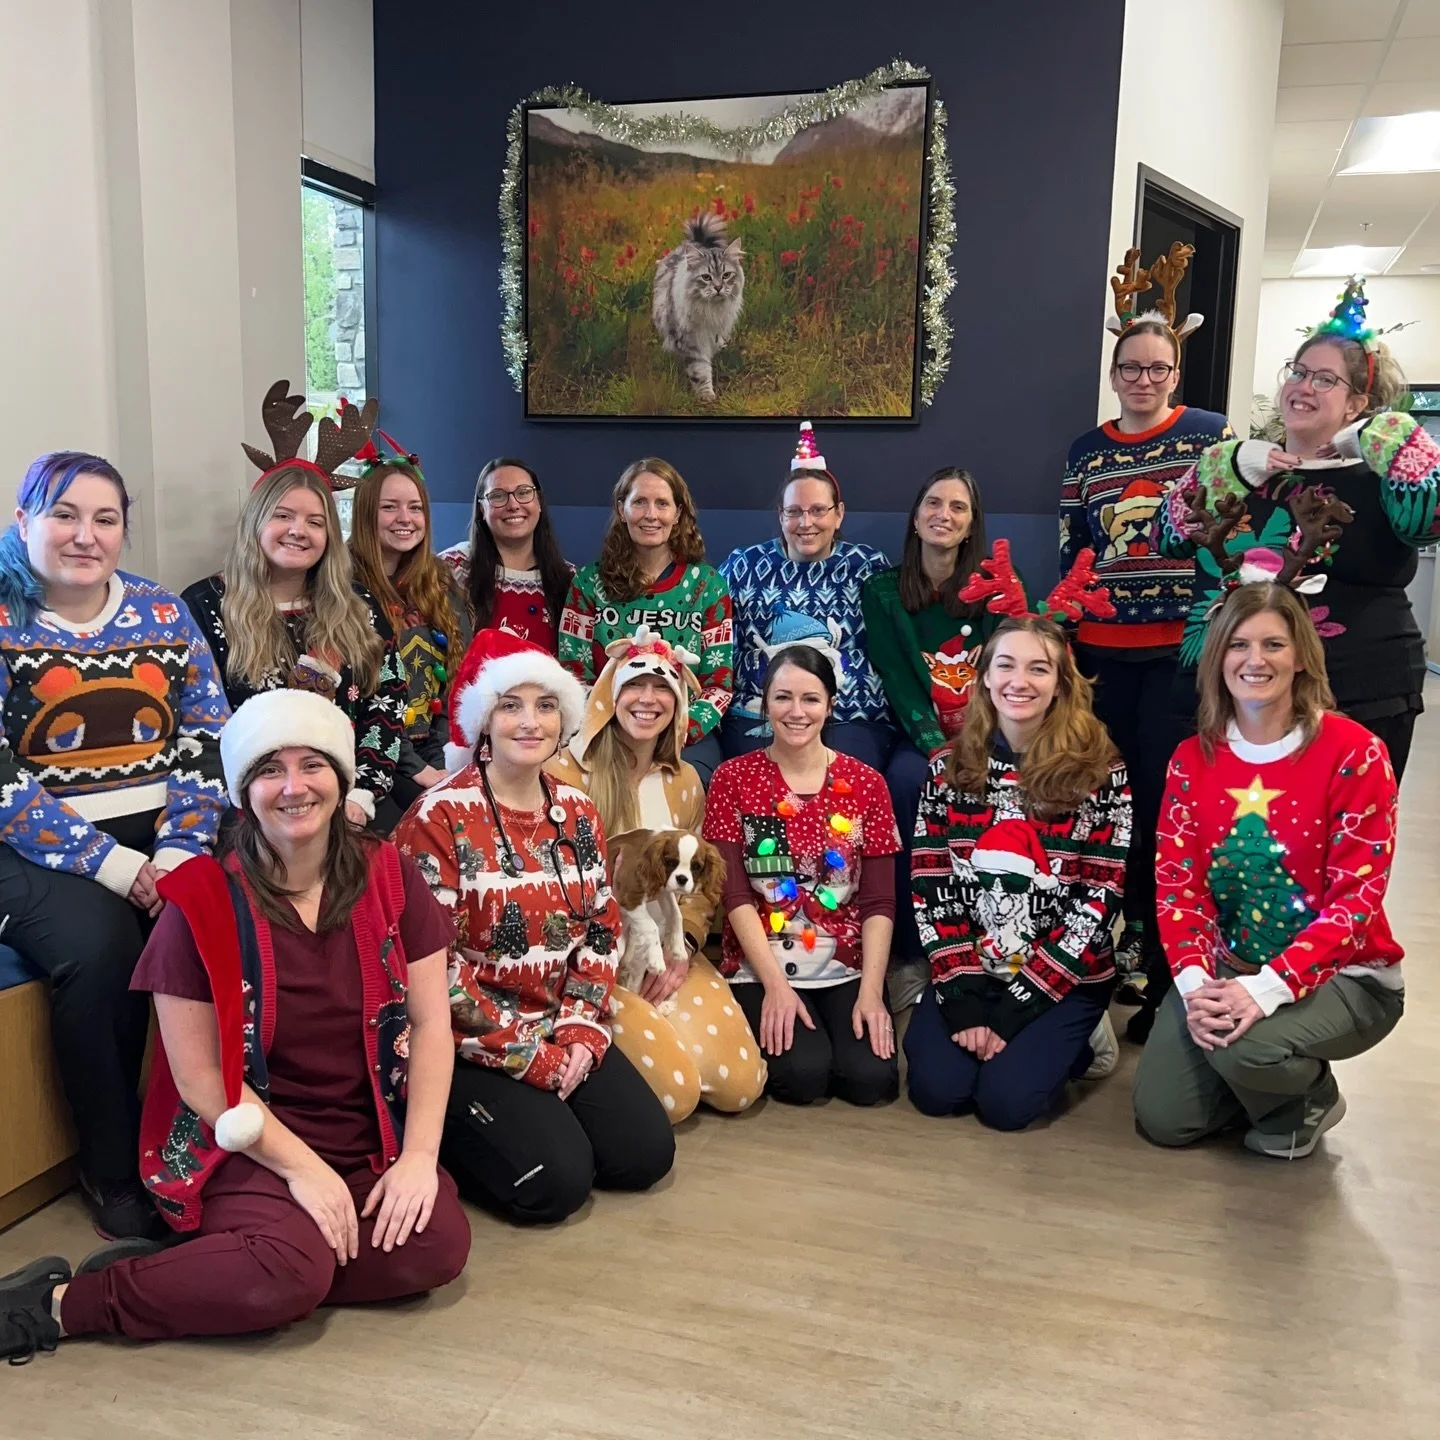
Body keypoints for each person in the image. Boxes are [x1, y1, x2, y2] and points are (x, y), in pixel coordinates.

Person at [0, 689, 471, 1361]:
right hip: (246, 1148)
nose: (293, 787)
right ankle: (63, 1304)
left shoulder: (391, 876)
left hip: (366, 1138)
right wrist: (304, 1173)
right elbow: (201, 1082)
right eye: (270, 770)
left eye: (312, 765)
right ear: (243, 791)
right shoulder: (199, 900)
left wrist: (420, 1157)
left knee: (436, 1246)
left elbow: (429, 1027)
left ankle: (219, 1267)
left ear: (340, 778)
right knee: (287, 1275)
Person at [0, 451, 229, 1240]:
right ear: (24, 520)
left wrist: (182, 849)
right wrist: (114, 865)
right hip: (28, 847)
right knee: (101, 951)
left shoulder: (162, 613)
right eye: (64, 515)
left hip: (162, 833)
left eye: (105, 519)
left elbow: (206, 734)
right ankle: (112, 1166)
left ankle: (216, 1136)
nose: (85, 536)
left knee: (232, 915)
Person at [394, 628, 675, 1224]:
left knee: (643, 1155)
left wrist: (579, 1028)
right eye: (510, 705)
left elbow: (601, 927)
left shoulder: (577, 808)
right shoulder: (437, 818)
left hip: (555, 1020)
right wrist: (528, 1057)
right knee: (554, 1184)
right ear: (484, 720)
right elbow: (433, 971)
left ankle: (539, 1120)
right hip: (465, 1043)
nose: (530, 722)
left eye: (546, 705)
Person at [1133, 583, 1403, 1158]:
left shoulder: (1355, 753)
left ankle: (1308, 1098)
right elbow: (1178, 889)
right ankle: (1252, 1072)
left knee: (1245, 1049)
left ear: (1300, 655)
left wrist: (1265, 991)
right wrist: (1196, 989)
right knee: (1163, 1120)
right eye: (1238, 645)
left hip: (1346, 977)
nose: (1255, 660)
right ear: (1218, 658)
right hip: (1227, 965)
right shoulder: (1191, 759)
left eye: (1273, 644)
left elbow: (1355, 902)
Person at [1160, 277, 1439, 784]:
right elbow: (1168, 537)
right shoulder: (1236, 468)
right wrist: (1229, 466)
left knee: (1343, 828)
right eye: (1299, 371)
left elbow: (1428, 519)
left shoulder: (1382, 476)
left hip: (1358, 692)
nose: (1304, 386)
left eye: (1326, 379)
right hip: (1232, 692)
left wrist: (1388, 435)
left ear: (1356, 403)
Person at [1060, 244, 1232, 1018]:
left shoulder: (1209, 436)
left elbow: (1232, 528)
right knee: (1109, 808)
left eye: (1157, 367)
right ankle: (1117, 959)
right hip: (1101, 658)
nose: (1143, 379)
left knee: (1169, 810)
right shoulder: (1087, 451)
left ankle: (1171, 975)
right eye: (1131, 367)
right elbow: (1073, 549)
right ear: (1114, 372)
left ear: (1174, 373)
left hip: (1178, 658)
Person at [907, 611, 1130, 1130]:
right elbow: (930, 887)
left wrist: (1014, 1011)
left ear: (1061, 683)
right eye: (1006, 665)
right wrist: (962, 996)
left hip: (1063, 974)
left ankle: (1083, 1037)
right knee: (938, 1092)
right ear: (985, 676)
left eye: (1038, 668)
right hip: (973, 966)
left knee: (1005, 1106)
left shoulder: (1101, 771)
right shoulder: (947, 767)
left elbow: (1098, 900)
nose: (1019, 681)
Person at [546, 625, 766, 1119]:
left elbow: (701, 888)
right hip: (592, 962)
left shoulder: (685, 780)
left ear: (679, 703)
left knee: (737, 1085)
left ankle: (664, 1036)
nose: (648, 700)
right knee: (676, 1098)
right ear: (612, 694)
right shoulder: (564, 774)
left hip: (665, 947)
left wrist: (682, 945)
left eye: (662, 688)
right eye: (635, 686)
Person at [183, 397, 408, 825]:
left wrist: (362, 792)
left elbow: (388, 703)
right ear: (255, 523)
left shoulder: (359, 607)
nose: (298, 531)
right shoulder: (203, 607)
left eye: (315, 522)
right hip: (248, 812)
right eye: (283, 515)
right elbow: (200, 729)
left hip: (348, 804)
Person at [702, 645, 901, 1107]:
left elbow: (878, 902)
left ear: (830, 706)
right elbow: (735, 896)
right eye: (783, 697)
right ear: (765, 703)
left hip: (844, 961)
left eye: (810, 699)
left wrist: (872, 993)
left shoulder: (868, 783)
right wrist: (774, 986)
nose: (796, 712)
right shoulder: (732, 779)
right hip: (763, 961)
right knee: (803, 1077)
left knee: (870, 1080)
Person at [861, 467, 996, 1007]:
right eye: (934, 504)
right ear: (915, 518)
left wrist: (978, 745)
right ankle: (910, 953)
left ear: (972, 524)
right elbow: (897, 677)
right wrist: (937, 748)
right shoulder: (883, 591)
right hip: (918, 735)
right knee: (904, 786)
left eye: (958, 507)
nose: (944, 515)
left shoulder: (997, 584)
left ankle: (989, 943)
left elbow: (1007, 671)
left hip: (988, 732)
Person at [720, 422, 893, 770]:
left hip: (849, 714)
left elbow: (891, 651)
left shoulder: (868, 568)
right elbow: (718, 643)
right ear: (780, 515)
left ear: (838, 513)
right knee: (761, 780)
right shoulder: (744, 566)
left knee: (842, 779)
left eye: (817, 510)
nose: (805, 522)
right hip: (759, 711)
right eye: (794, 511)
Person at [558, 458, 731, 784]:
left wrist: (676, 730)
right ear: (621, 509)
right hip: (607, 730)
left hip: (684, 734)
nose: (651, 514)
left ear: (678, 513)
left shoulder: (707, 586)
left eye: (662, 503)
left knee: (692, 781)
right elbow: (574, 675)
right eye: (639, 502)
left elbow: (717, 684)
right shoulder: (588, 583)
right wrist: (619, 728)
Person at [347, 445, 473, 825]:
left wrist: (442, 758)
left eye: (415, 508)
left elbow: (453, 680)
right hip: (369, 755)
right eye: (389, 507)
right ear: (365, 512)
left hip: (431, 746)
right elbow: (360, 698)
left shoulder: (438, 581)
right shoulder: (341, 586)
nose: (405, 518)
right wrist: (414, 767)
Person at [438, 456, 573, 653]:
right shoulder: (451, 569)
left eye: (524, 492)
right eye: (498, 496)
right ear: (481, 509)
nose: (513, 505)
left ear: (539, 502)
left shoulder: (571, 581)